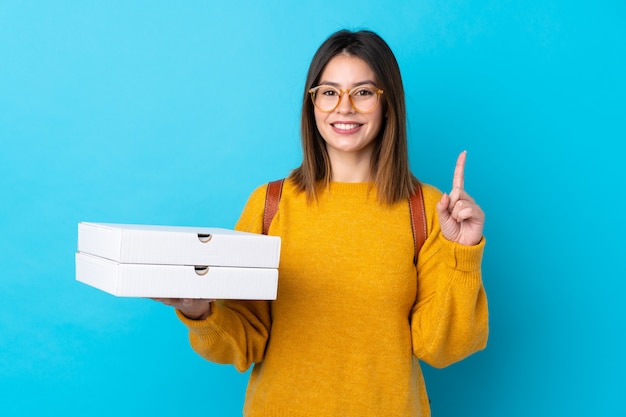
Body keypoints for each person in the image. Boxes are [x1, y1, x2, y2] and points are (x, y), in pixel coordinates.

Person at [156, 29, 488, 417]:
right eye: (329, 92)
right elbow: (244, 342)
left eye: (363, 92)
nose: (343, 107)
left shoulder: (427, 209)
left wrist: (462, 254)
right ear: (312, 104)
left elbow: (442, 346)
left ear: (388, 104)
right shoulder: (270, 204)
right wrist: (199, 310)